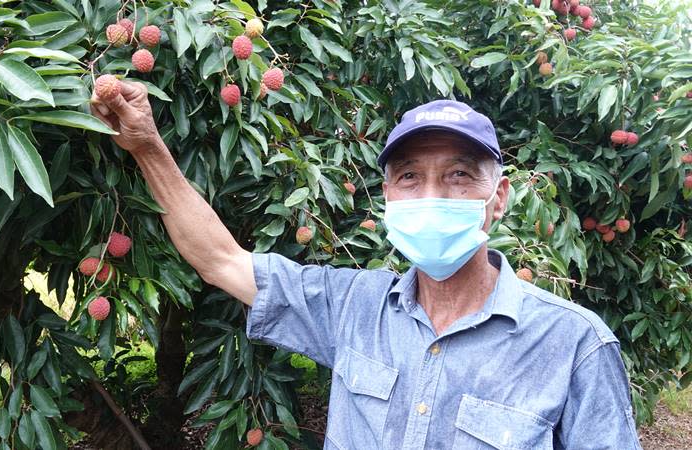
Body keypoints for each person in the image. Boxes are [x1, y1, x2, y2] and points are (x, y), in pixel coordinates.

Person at [91, 82, 643, 449]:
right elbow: (219, 259)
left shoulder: (574, 345)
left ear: (497, 199)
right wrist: (147, 147)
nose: (432, 194)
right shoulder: (353, 306)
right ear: (387, 197)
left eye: (458, 175)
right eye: (409, 176)